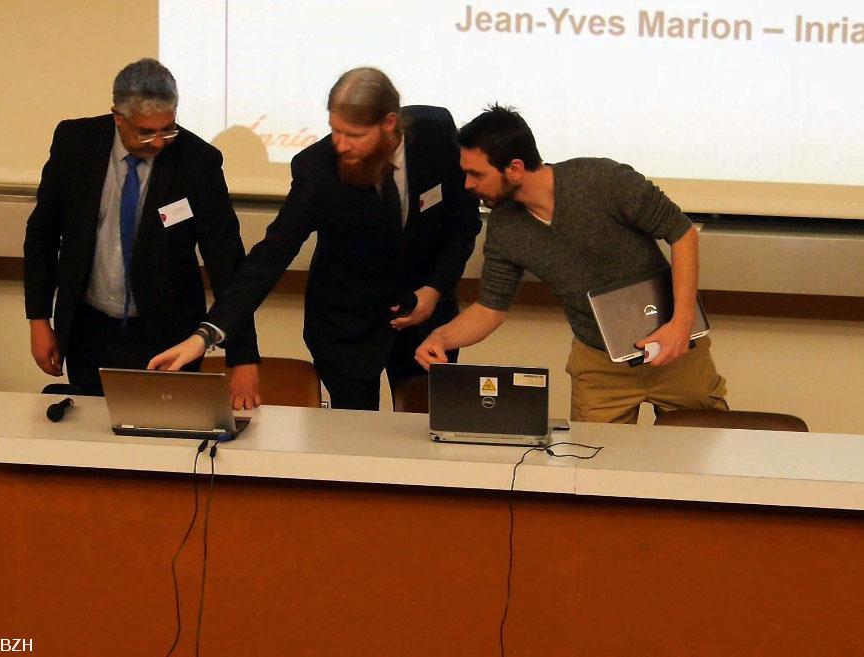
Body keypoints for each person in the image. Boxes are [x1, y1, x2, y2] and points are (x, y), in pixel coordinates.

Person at [149, 68, 481, 410]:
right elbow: (271, 255)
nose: (341, 144)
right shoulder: (318, 169)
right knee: (354, 441)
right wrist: (206, 335)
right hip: (346, 327)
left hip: (426, 323)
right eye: (335, 130)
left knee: (426, 430)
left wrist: (435, 288)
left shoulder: (437, 136)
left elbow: (464, 222)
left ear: (389, 123)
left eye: (353, 134)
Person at [415, 104, 727, 423]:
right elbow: (490, 309)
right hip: (599, 365)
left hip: (675, 350)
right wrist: (442, 337)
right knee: (589, 468)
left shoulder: (603, 180)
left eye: (476, 174)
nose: (467, 185)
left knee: (699, 456)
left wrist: (681, 324)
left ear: (515, 168)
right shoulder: (505, 227)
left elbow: (683, 233)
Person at [23, 58, 260, 406]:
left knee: (164, 446)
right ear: (118, 116)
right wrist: (39, 319)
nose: (160, 142)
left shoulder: (198, 162)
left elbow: (227, 261)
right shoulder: (75, 144)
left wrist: (242, 357)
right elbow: (42, 235)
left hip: (169, 336)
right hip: (88, 330)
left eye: (168, 129)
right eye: (146, 132)